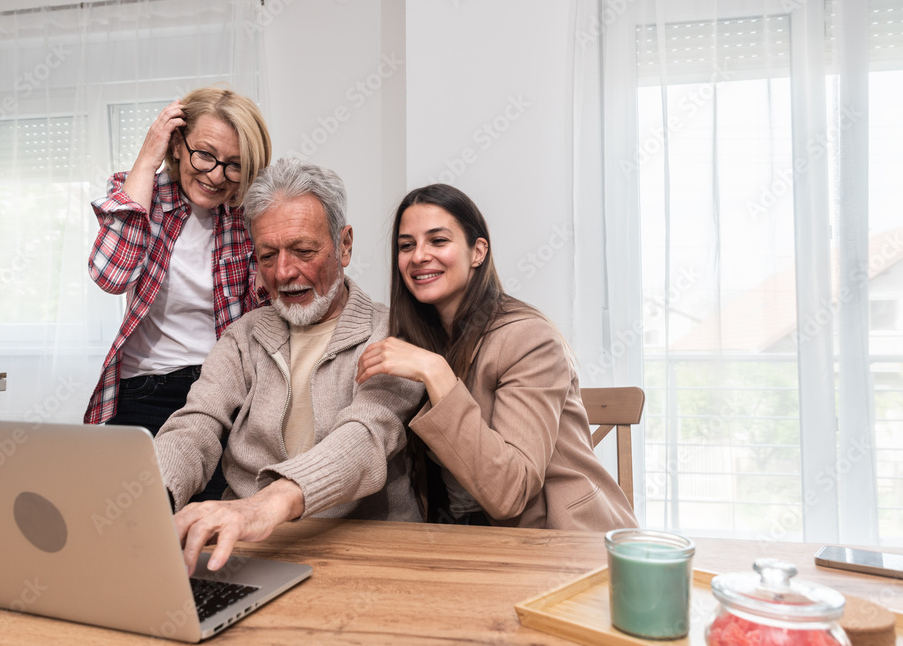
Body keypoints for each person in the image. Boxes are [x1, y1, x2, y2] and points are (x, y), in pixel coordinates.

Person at [154, 158, 423, 575]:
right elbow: (197, 425)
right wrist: (150, 497)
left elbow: (365, 436)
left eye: (303, 250)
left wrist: (265, 505)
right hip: (249, 551)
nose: (283, 272)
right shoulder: (243, 336)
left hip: (363, 553)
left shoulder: (394, 334)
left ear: (345, 244)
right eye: (267, 255)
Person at [355, 184, 638, 531]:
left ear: (478, 252)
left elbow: (510, 492)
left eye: (438, 241)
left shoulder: (528, 339)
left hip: (559, 542)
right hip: (461, 540)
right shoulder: (413, 342)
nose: (418, 256)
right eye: (406, 245)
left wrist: (436, 372)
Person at [85, 88, 271, 498]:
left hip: (223, 395)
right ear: (177, 146)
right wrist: (147, 158)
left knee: (208, 534)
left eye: (235, 165)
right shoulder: (142, 195)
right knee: (132, 527)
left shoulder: (249, 218)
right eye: (204, 154)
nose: (217, 175)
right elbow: (111, 276)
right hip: (143, 390)